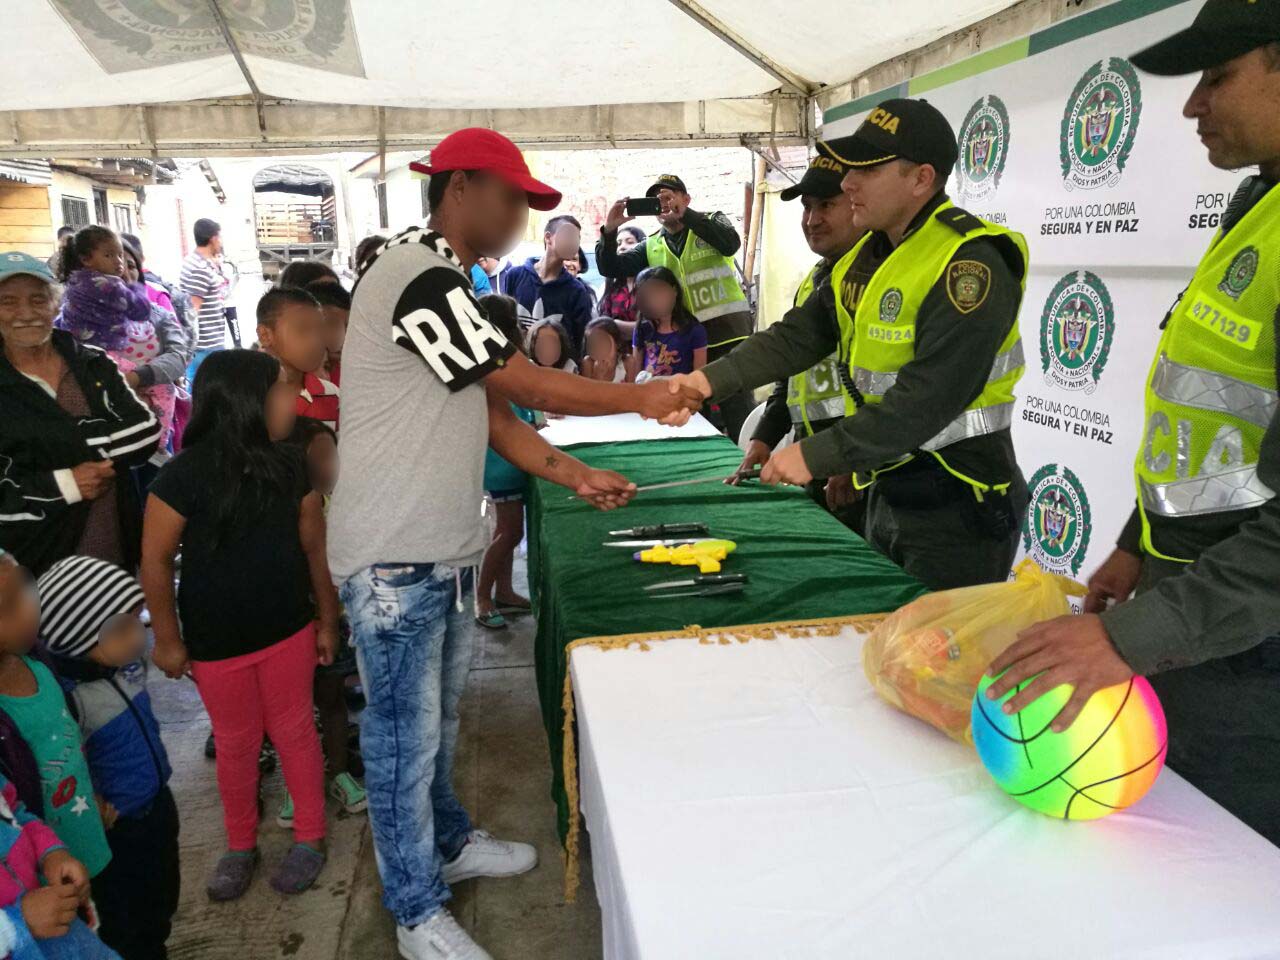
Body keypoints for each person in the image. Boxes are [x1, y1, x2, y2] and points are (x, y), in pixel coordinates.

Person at [327, 126, 697, 960]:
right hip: (393, 558)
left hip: (441, 550)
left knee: (439, 726)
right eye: (512, 200)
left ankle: (449, 843)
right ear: (459, 188)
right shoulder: (418, 271)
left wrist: (572, 476)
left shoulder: (450, 276)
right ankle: (416, 910)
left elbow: (490, 413)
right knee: (399, 740)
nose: (523, 221)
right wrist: (638, 400)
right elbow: (521, 383)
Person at [987, 5, 1280, 848]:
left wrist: (1137, 635)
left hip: (1252, 652)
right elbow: (1216, 428)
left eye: (1217, 77)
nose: (1192, 107)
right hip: (1205, 618)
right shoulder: (1259, 203)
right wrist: (1136, 543)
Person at [669, 99, 1030, 591]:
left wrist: (812, 456)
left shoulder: (970, 262)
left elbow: (926, 401)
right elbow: (797, 337)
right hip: (890, 487)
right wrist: (705, 381)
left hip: (958, 501)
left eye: (868, 169)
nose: (847, 183)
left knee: (934, 659)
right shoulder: (868, 256)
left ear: (922, 179)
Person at [142, 350, 336, 900]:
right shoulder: (182, 476)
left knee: (296, 731)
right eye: (279, 391)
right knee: (236, 743)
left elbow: (313, 546)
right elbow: (154, 562)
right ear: (244, 403)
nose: (292, 400)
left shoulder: (292, 463)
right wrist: (168, 638)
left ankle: (311, 837)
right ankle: (238, 844)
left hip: (288, 629)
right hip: (216, 643)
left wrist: (326, 618)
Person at [37, 555, 179, 960]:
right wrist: (93, 799)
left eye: (136, 619)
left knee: (163, 897)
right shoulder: (68, 699)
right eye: (120, 629)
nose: (137, 636)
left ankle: (158, 942)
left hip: (158, 801)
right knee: (126, 921)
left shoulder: (125, 664)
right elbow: (63, 761)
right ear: (78, 640)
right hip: (118, 829)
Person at [0, 252, 160, 576]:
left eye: (37, 299)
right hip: (36, 563)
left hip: (113, 545)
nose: (26, 313)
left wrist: (60, 444)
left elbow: (146, 430)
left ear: (56, 305)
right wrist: (66, 482)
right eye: (8, 302)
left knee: (119, 623)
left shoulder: (92, 362)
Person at [733, 155, 864, 524]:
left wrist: (855, 461)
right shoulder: (814, 280)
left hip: (856, 468)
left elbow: (895, 390)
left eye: (826, 205)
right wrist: (763, 439)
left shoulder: (878, 280)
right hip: (813, 455)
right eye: (806, 207)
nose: (812, 219)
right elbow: (788, 379)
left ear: (857, 202)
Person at [598, 173, 753, 440]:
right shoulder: (652, 244)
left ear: (686, 199)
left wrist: (687, 215)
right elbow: (610, 267)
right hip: (684, 343)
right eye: (656, 200)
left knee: (737, 413)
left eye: (669, 196)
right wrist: (609, 232)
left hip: (727, 336)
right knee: (690, 415)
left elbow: (731, 244)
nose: (663, 203)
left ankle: (751, 465)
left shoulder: (710, 221)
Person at [276, 416, 367, 832]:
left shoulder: (345, 502)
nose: (331, 465)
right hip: (294, 621)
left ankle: (339, 774)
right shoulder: (288, 508)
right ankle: (299, 786)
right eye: (319, 457)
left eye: (333, 453)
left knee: (331, 700)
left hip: (338, 618)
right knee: (292, 711)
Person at [475, 295, 537, 631]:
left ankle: (505, 591)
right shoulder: (496, 363)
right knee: (510, 532)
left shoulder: (502, 359)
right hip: (503, 460)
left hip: (508, 457)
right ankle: (483, 597)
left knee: (506, 531)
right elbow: (507, 415)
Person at [120, 240, 190, 494]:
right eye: (113, 262)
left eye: (130, 265)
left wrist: (137, 377)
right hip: (107, 431)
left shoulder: (157, 314)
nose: (123, 271)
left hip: (156, 424)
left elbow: (178, 356)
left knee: (157, 492)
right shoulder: (79, 319)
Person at [501, 215, 594, 354]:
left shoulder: (577, 291)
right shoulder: (515, 276)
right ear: (548, 238)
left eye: (577, 238)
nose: (573, 241)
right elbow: (504, 325)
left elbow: (580, 343)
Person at [255, 288, 339, 432]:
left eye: (320, 329)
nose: (315, 342)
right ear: (265, 335)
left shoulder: (331, 395)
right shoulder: (248, 398)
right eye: (302, 329)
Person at [632, 267, 707, 377]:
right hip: (649, 391)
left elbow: (699, 376)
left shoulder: (694, 330)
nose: (656, 299)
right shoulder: (642, 329)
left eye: (660, 292)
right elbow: (636, 373)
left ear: (675, 291)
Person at [178, 218, 227, 381]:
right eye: (220, 238)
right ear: (213, 239)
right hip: (207, 343)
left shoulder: (192, 261)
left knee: (197, 383)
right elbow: (193, 310)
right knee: (208, 385)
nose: (221, 242)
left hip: (200, 344)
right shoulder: (201, 270)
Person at [599, 225, 646, 332]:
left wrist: (616, 325)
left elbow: (656, 324)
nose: (622, 247)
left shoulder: (651, 283)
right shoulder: (611, 285)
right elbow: (603, 324)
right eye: (618, 244)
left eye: (629, 242)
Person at [306, 280, 351, 386]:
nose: (344, 336)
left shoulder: (352, 373)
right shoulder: (289, 377)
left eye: (348, 326)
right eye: (331, 323)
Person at [580, 316, 633, 384]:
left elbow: (631, 392)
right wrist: (598, 376)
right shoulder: (588, 363)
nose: (598, 348)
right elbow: (589, 393)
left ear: (617, 343)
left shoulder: (628, 362)